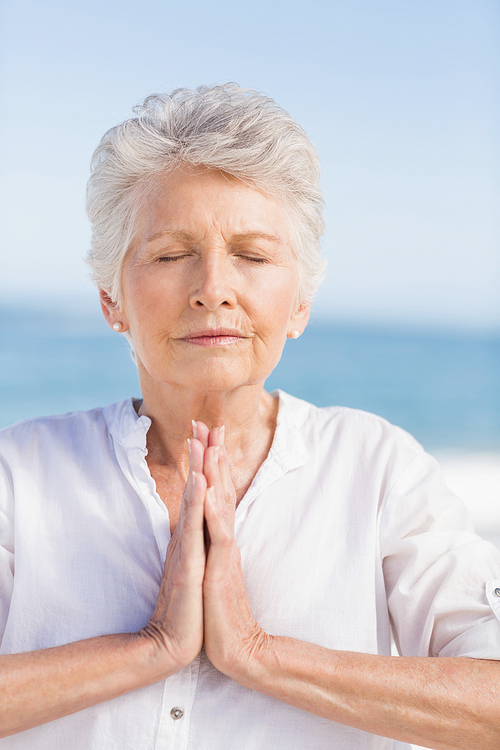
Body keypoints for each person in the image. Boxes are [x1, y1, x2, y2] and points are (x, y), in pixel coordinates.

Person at [0, 83, 499, 750]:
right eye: (171, 255)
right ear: (111, 298)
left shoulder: (378, 470)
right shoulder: (21, 474)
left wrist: (260, 654)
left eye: (254, 257)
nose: (213, 289)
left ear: (299, 304)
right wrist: (148, 650)